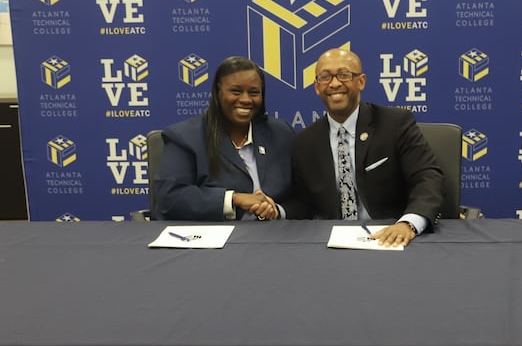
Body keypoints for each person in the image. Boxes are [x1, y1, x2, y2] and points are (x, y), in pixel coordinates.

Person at [283, 48, 444, 247]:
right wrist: (275, 210)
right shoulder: (304, 142)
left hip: (391, 236)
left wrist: (408, 223)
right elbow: (302, 204)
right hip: (331, 243)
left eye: (344, 75)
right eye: (325, 77)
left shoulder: (395, 124)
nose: (334, 84)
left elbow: (427, 177)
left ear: (361, 81)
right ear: (317, 86)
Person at [153, 56, 293, 221]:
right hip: (213, 240)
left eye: (254, 92)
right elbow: (169, 198)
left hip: (274, 238)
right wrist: (233, 199)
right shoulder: (185, 136)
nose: (246, 99)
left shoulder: (281, 132)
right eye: (236, 91)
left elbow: (303, 195)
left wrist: (277, 210)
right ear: (218, 93)